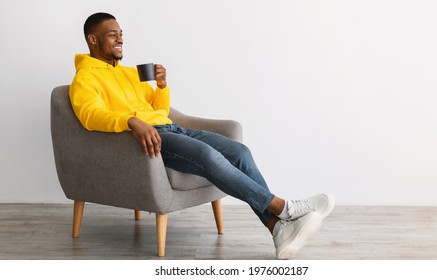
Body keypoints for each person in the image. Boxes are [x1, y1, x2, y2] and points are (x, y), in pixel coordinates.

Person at [70, 12, 335, 259]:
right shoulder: (84, 78)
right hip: (148, 141)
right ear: (93, 40)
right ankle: (285, 208)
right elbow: (90, 116)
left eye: (121, 33)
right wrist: (131, 121)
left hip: (171, 128)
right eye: (112, 34)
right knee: (208, 156)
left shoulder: (130, 73)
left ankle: (277, 229)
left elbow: (159, 110)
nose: (121, 39)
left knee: (239, 152)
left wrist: (161, 86)